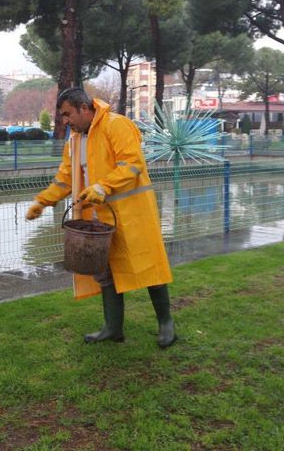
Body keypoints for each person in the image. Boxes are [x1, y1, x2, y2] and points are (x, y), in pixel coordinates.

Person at [25, 87, 177, 348]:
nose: (64, 121)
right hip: (98, 216)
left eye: (67, 114)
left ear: (84, 109)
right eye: (62, 116)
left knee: (148, 265)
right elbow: (65, 179)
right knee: (105, 271)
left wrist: (103, 186)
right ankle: (112, 328)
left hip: (132, 212)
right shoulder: (74, 140)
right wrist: (43, 200)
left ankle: (166, 325)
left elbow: (132, 164)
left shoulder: (116, 125)